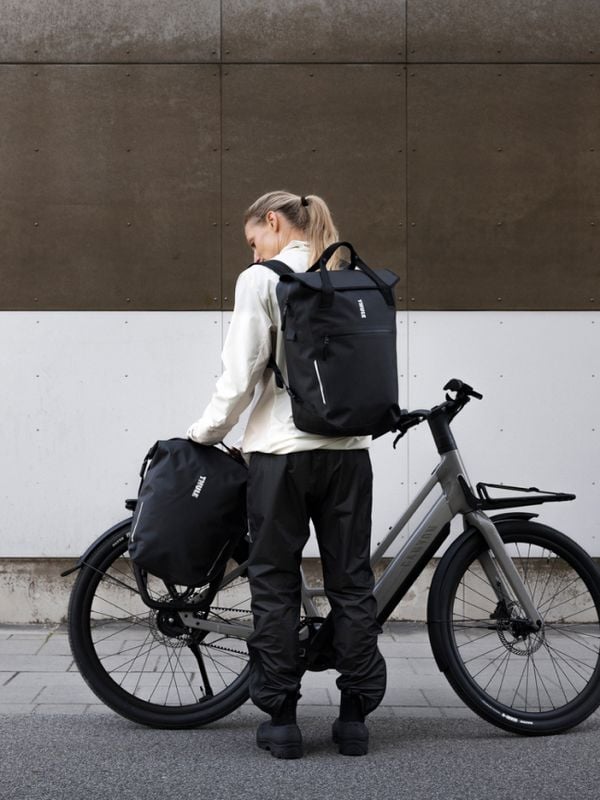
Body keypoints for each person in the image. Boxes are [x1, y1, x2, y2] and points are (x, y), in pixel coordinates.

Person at [187, 190, 386, 758]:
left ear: (274, 222)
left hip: (280, 455)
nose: (252, 256)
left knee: (274, 584)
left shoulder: (261, 281)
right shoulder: (346, 274)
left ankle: (281, 722)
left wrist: (202, 434)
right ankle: (354, 721)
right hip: (348, 452)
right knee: (352, 582)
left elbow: (241, 374)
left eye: (255, 241)